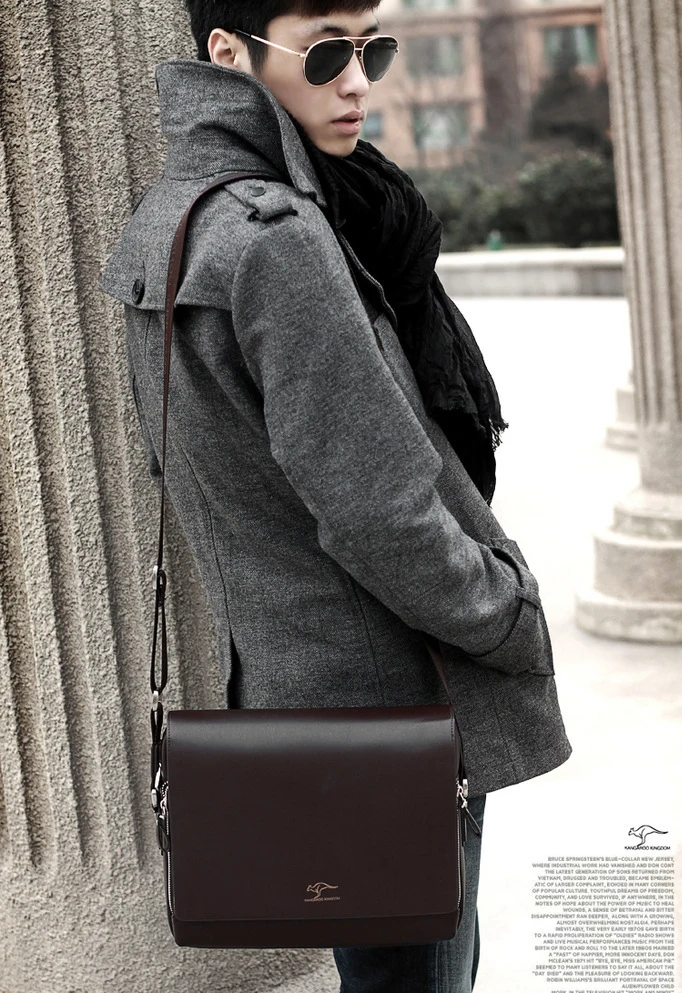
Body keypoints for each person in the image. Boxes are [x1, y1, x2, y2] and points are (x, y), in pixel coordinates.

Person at [99, 3, 572, 990]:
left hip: (298, 688)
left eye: (371, 49)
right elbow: (379, 511)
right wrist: (504, 613)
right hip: (390, 713)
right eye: (324, 53)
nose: (357, 81)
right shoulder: (276, 238)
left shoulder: (175, 221)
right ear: (228, 53)